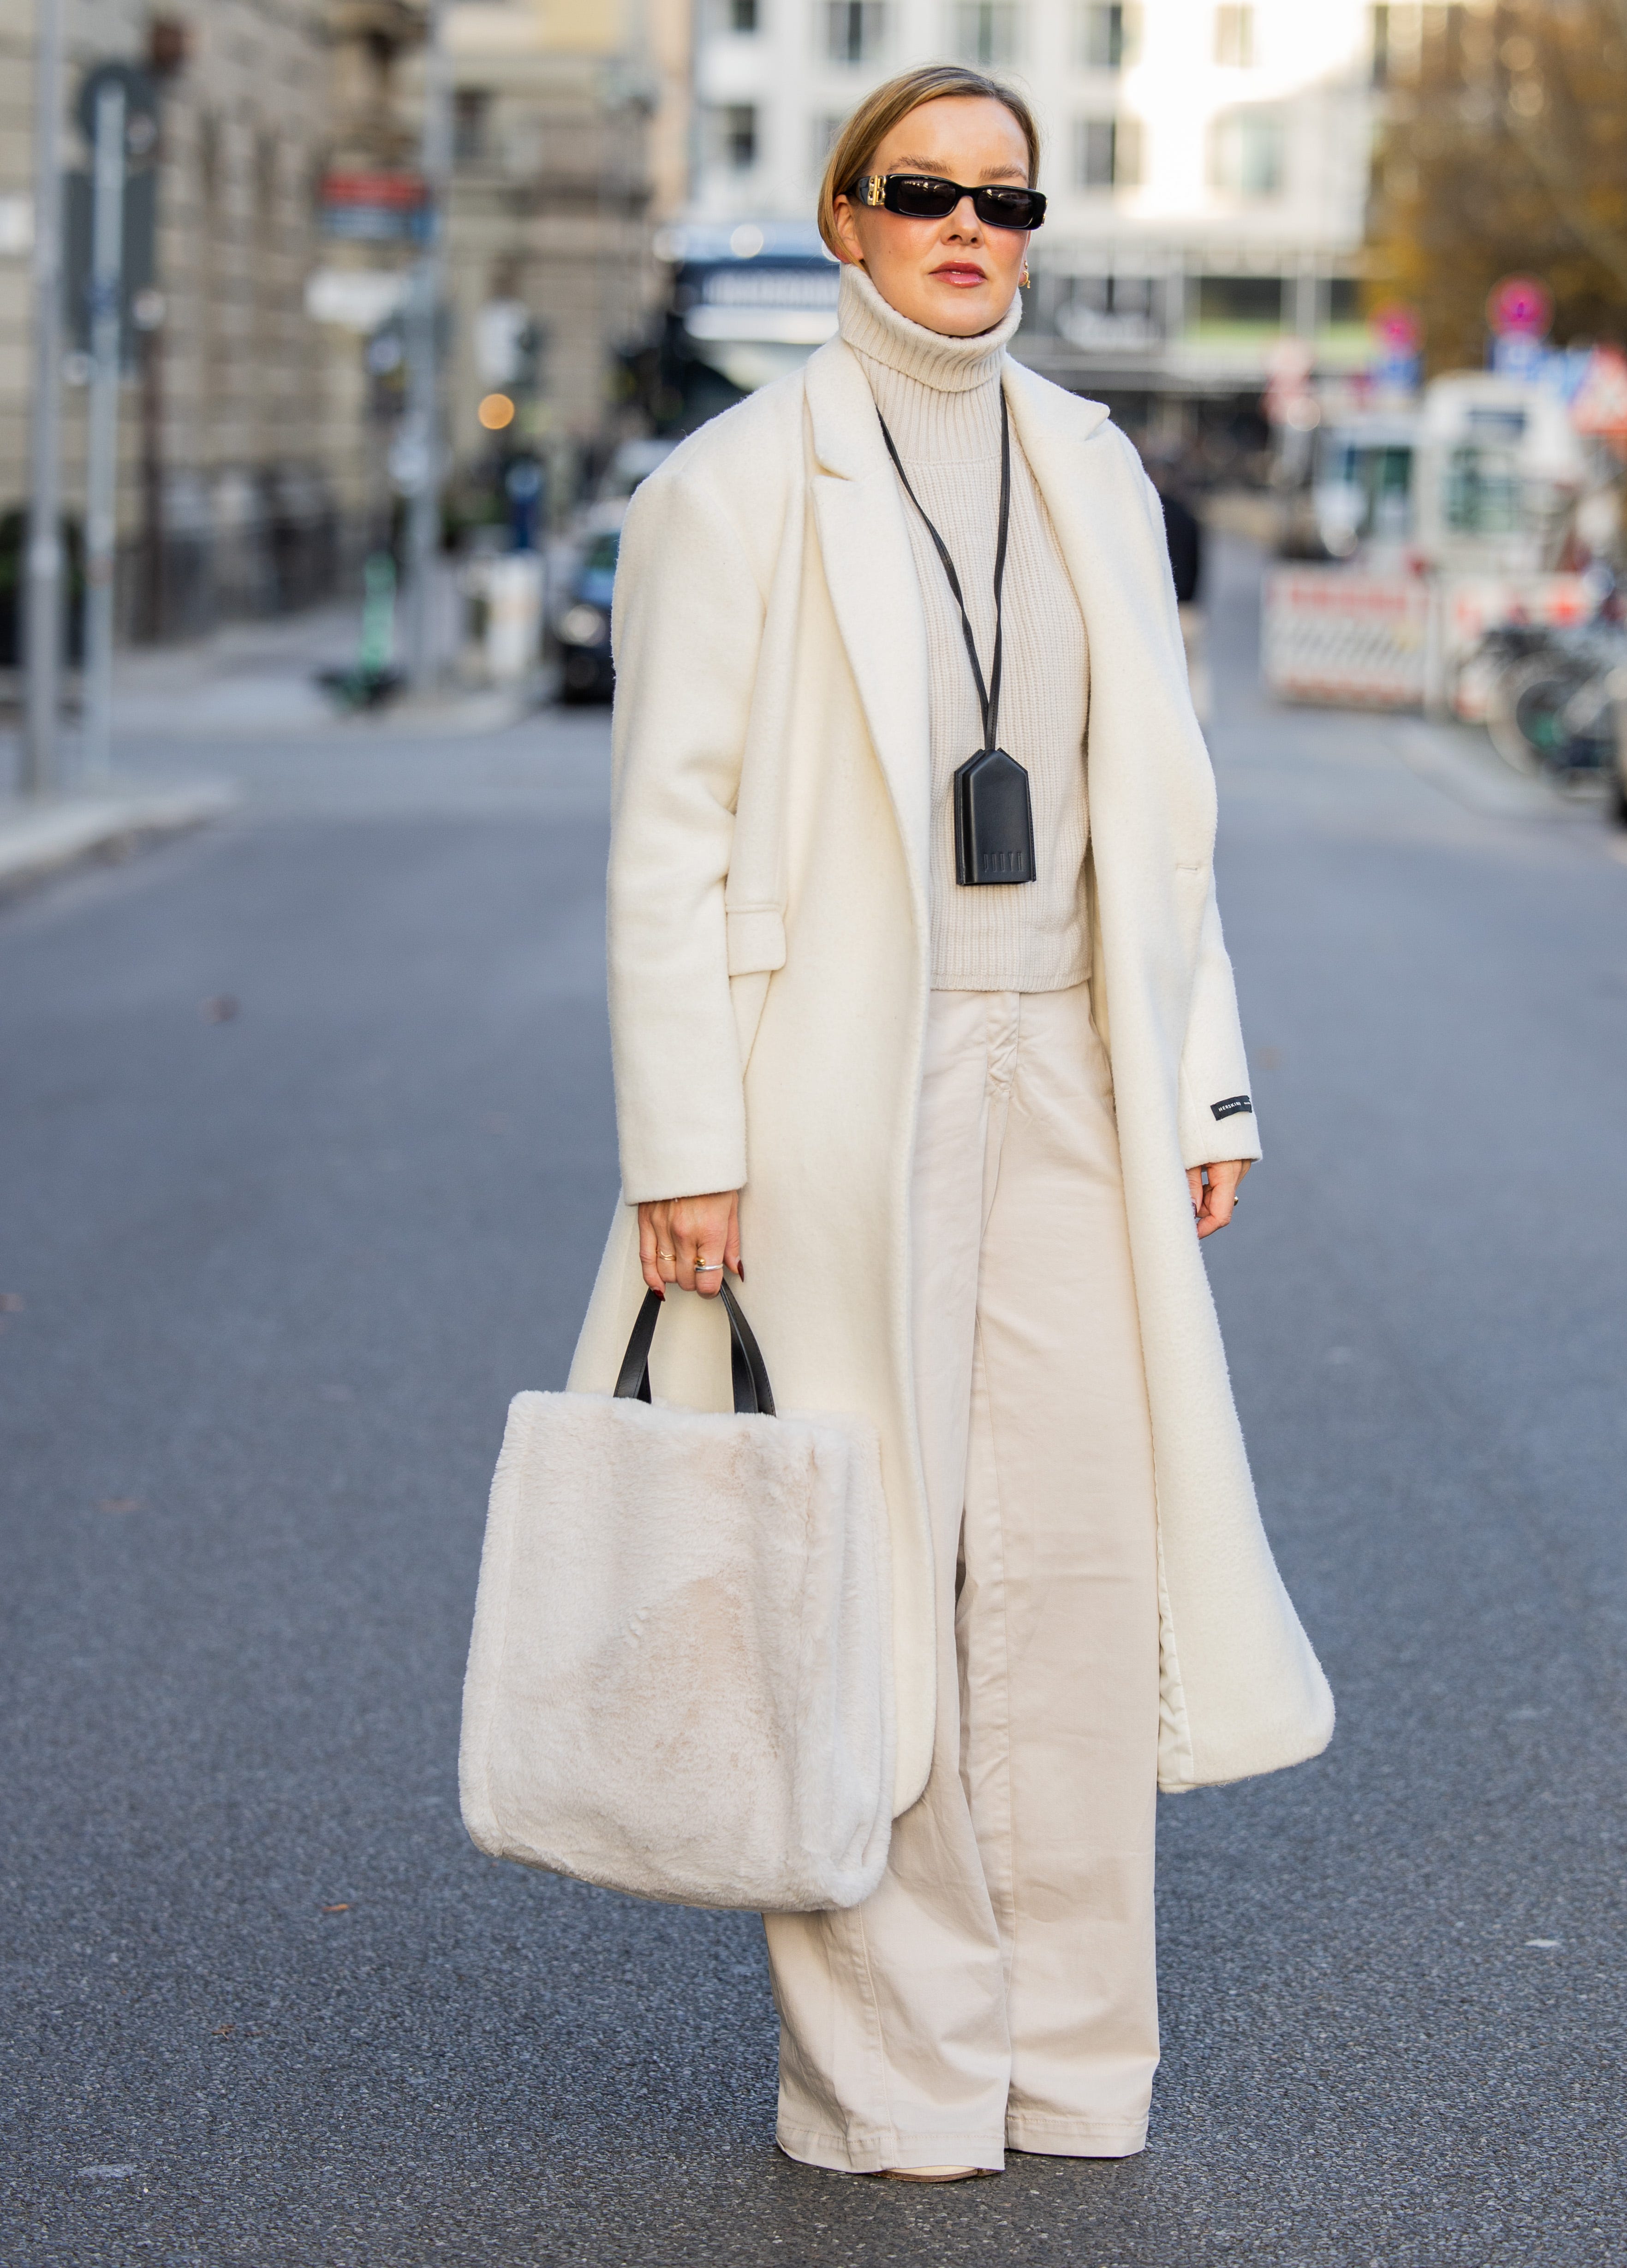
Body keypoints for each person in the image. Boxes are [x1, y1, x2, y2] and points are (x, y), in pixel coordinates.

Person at [566, 63, 1332, 2183]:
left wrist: (1200, 1069)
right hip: (836, 1084)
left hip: (1067, 1051)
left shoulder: (1090, 465)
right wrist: (680, 1142)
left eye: (1006, 197)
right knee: (867, 1574)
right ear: (844, 217)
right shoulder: (732, 487)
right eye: (923, 191)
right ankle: (894, 2083)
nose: (967, 227)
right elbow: (665, 844)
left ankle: (1072, 2059)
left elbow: (1158, 820)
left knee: (1079, 1564)